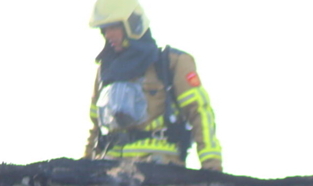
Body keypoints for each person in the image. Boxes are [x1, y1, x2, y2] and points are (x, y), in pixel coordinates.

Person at [83, 0, 223, 171]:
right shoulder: (105, 72)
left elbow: (200, 113)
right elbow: (95, 127)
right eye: (104, 29)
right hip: (109, 173)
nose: (108, 34)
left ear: (133, 24)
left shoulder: (171, 63)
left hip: (159, 174)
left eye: (113, 27)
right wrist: (83, 169)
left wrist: (212, 168)